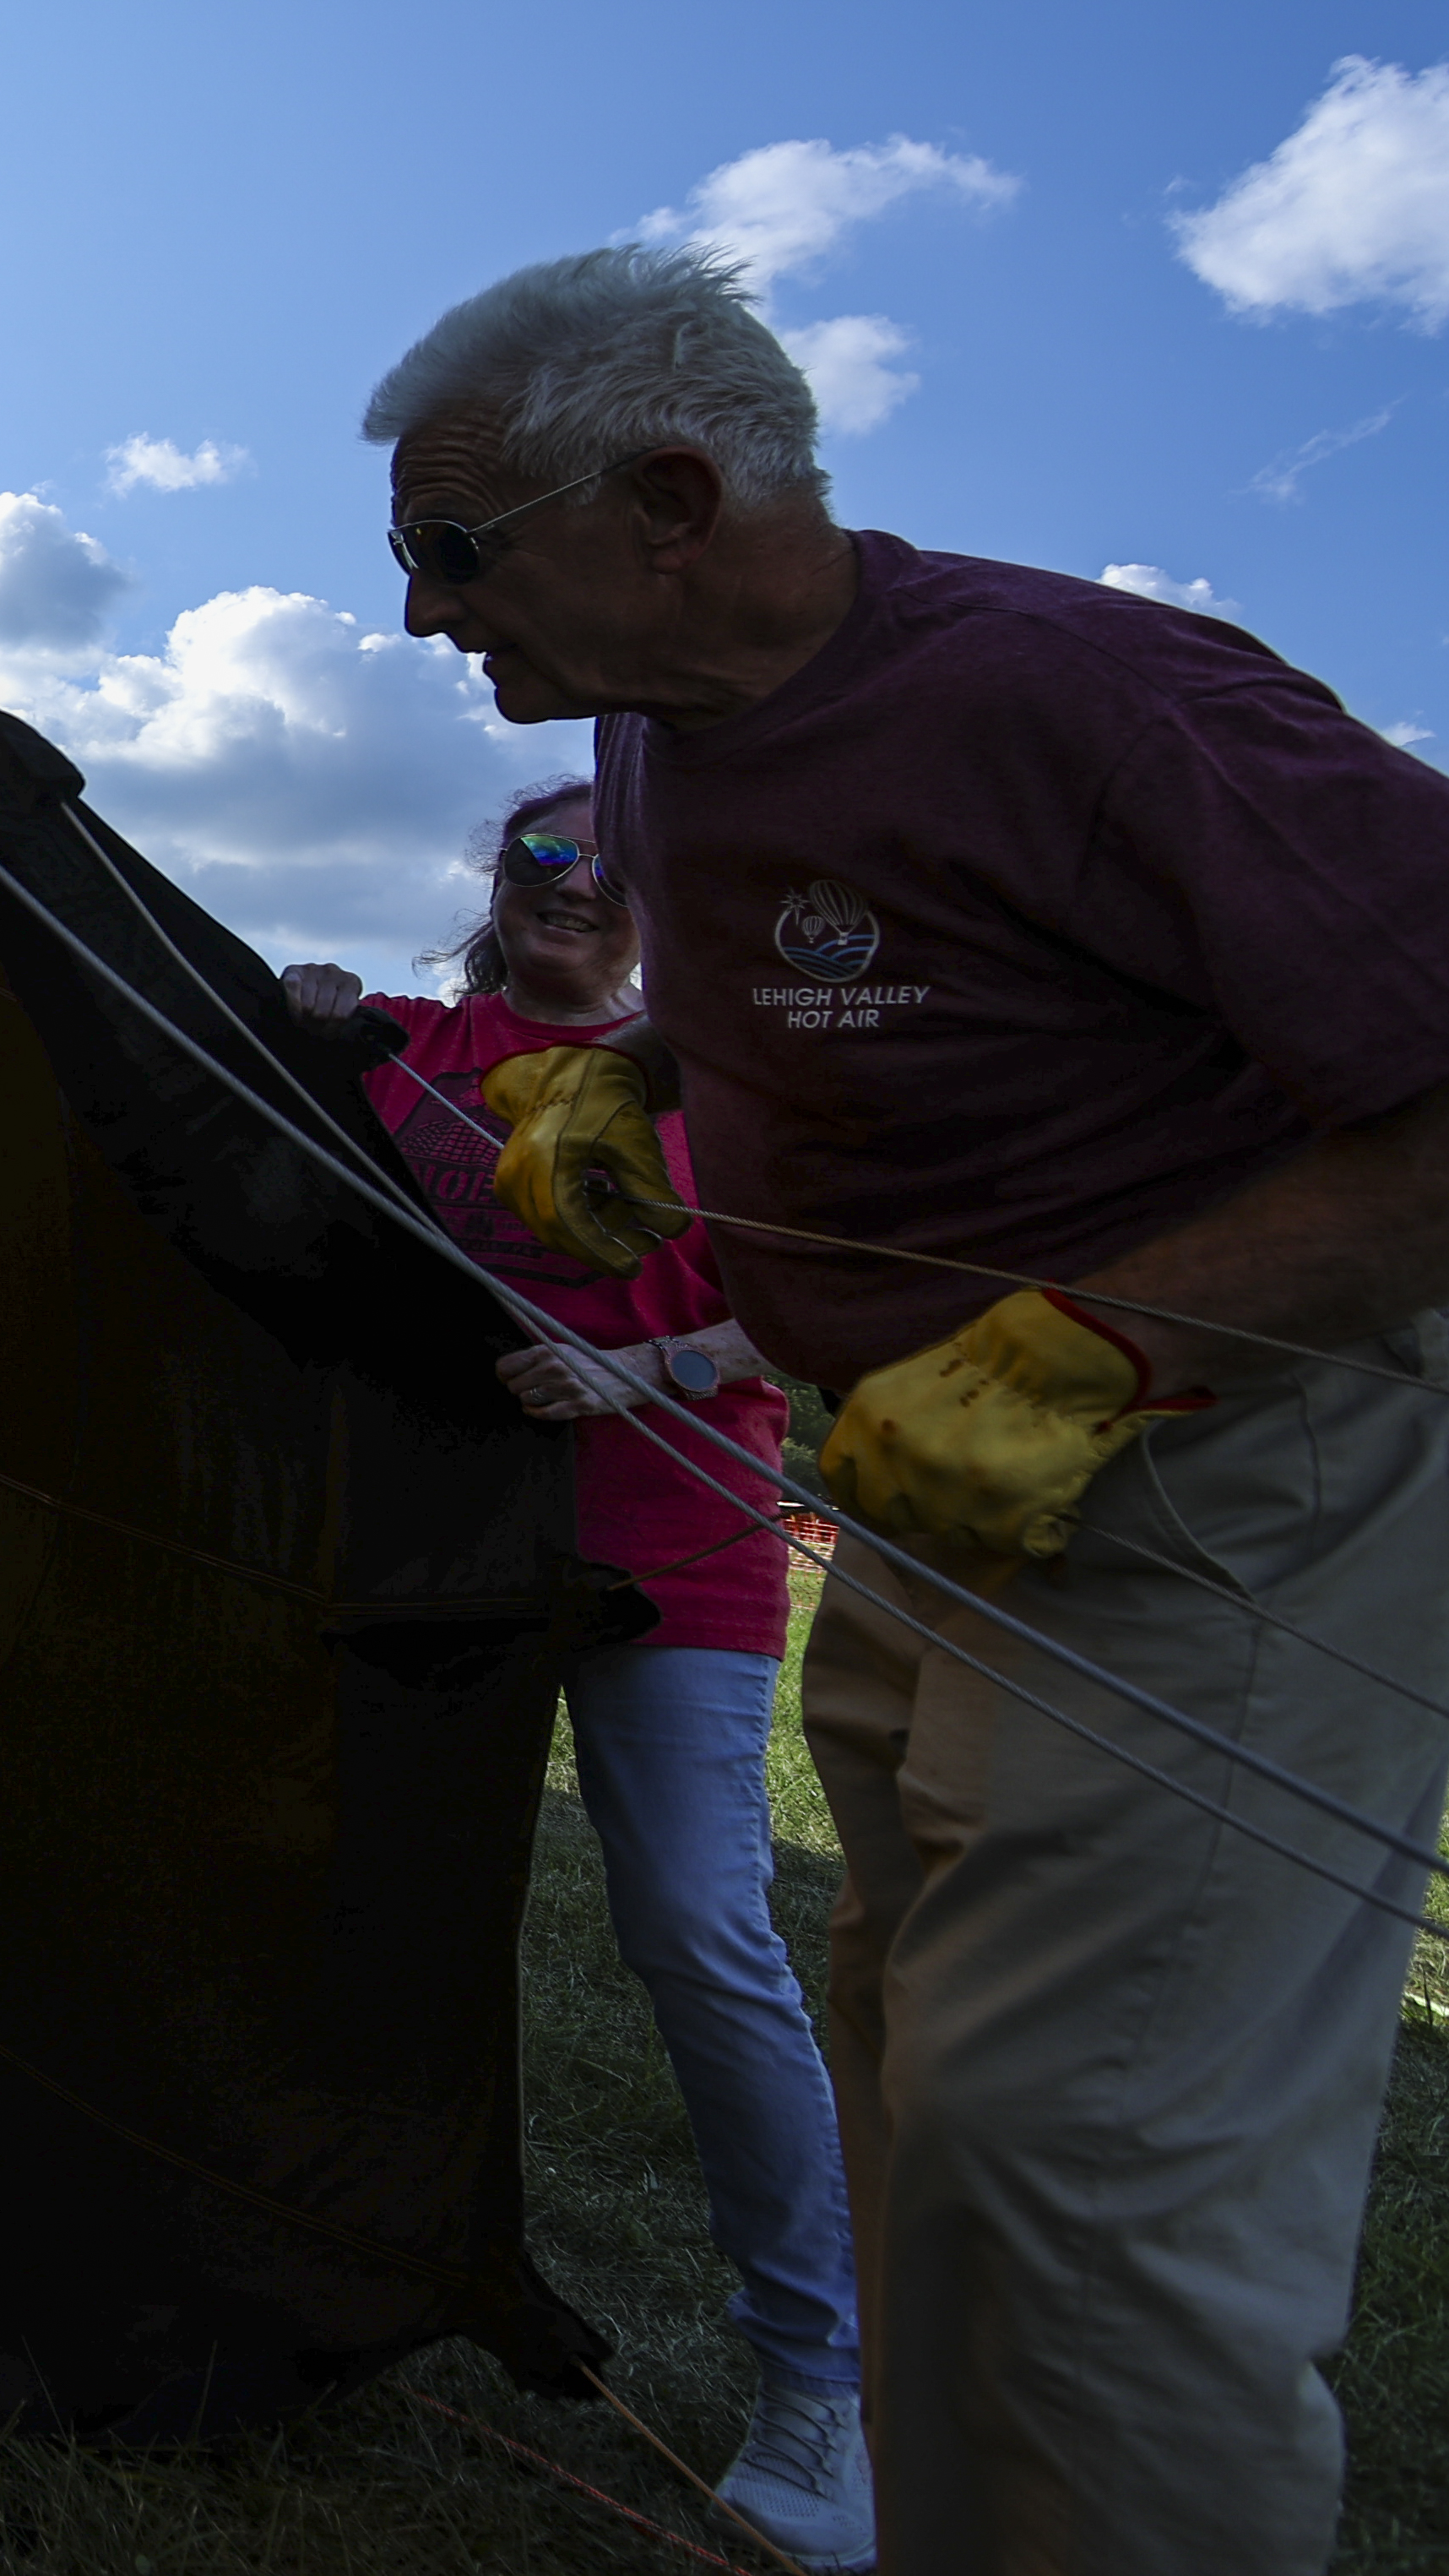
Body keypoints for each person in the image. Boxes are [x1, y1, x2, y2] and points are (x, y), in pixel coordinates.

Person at [362, 242, 1449, 2576]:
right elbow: (839, 996)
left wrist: (1105, 1344)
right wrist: (630, 1090)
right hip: (930, 1486)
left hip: (1211, 1477)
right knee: (916, 2068)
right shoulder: (656, 736)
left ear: (667, 494)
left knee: (1090, 2158)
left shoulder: (1094, 698)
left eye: (452, 547)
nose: (425, 611)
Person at [287, 780, 870, 2568]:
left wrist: (660, 1370)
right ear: (496, 881)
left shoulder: (729, 1084)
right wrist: (283, 1005)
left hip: (670, 1548)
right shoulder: (411, 1048)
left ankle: (818, 2380)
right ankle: (292, 2262)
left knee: (698, 1928)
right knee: (342, 1891)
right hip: (431, 1547)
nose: (576, 891)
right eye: (544, 857)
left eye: (616, 872)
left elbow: (831, 1298)